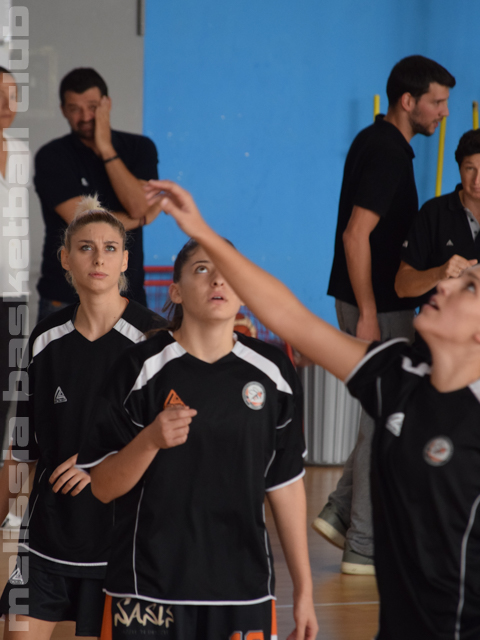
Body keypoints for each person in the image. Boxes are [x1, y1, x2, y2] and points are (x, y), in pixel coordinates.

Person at [147, 179, 480, 639]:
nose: (447, 282)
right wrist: (200, 230)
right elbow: (291, 317)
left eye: (470, 287)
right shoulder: (397, 375)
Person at [76, 238, 318, 640]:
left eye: (229, 272)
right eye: (202, 269)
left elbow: (286, 486)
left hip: (243, 590)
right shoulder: (138, 367)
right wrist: (150, 440)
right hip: (146, 588)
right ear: (176, 291)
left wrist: (305, 591)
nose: (218, 280)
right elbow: (102, 487)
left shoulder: (274, 372)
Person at [0, 196, 165, 639]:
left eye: (110, 248)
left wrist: (101, 464)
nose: (98, 258)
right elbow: (23, 452)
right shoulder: (43, 338)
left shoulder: (154, 340)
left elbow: (175, 444)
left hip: (122, 546)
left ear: (125, 260)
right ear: (65, 259)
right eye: (86, 247)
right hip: (47, 541)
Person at [320, 55, 456, 573]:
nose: (443, 112)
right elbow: (355, 235)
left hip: (375, 302)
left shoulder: (377, 141)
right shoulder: (387, 154)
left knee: (382, 412)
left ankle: (339, 512)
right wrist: (370, 312)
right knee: (386, 419)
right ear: (408, 101)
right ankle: (363, 545)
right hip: (377, 306)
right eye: (436, 102)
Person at [34, 67, 163, 323]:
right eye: (74, 109)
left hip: (129, 295)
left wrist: (106, 148)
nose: (85, 117)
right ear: (63, 110)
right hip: (66, 296)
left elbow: (137, 205)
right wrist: (141, 219)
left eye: (92, 107)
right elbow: (84, 223)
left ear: (107, 104)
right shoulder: (52, 156)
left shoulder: (140, 148)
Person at [396, 129, 480, 299]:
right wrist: (440, 273)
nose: (477, 180)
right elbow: (402, 286)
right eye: (470, 168)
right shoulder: (434, 213)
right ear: (459, 169)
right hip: (441, 316)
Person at [0, 67, 30, 480]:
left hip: (12, 294)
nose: (6, 106)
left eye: (12, 95)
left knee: (6, 394)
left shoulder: (21, 152)